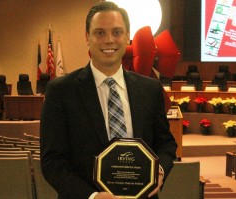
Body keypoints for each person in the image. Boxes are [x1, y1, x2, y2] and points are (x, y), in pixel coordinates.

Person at [40, 1, 177, 199]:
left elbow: (166, 145)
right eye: (100, 33)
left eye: (117, 32)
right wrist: (92, 196)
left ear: (128, 36)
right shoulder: (60, 91)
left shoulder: (150, 89)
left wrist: (160, 171)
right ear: (87, 37)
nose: (109, 40)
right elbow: (52, 161)